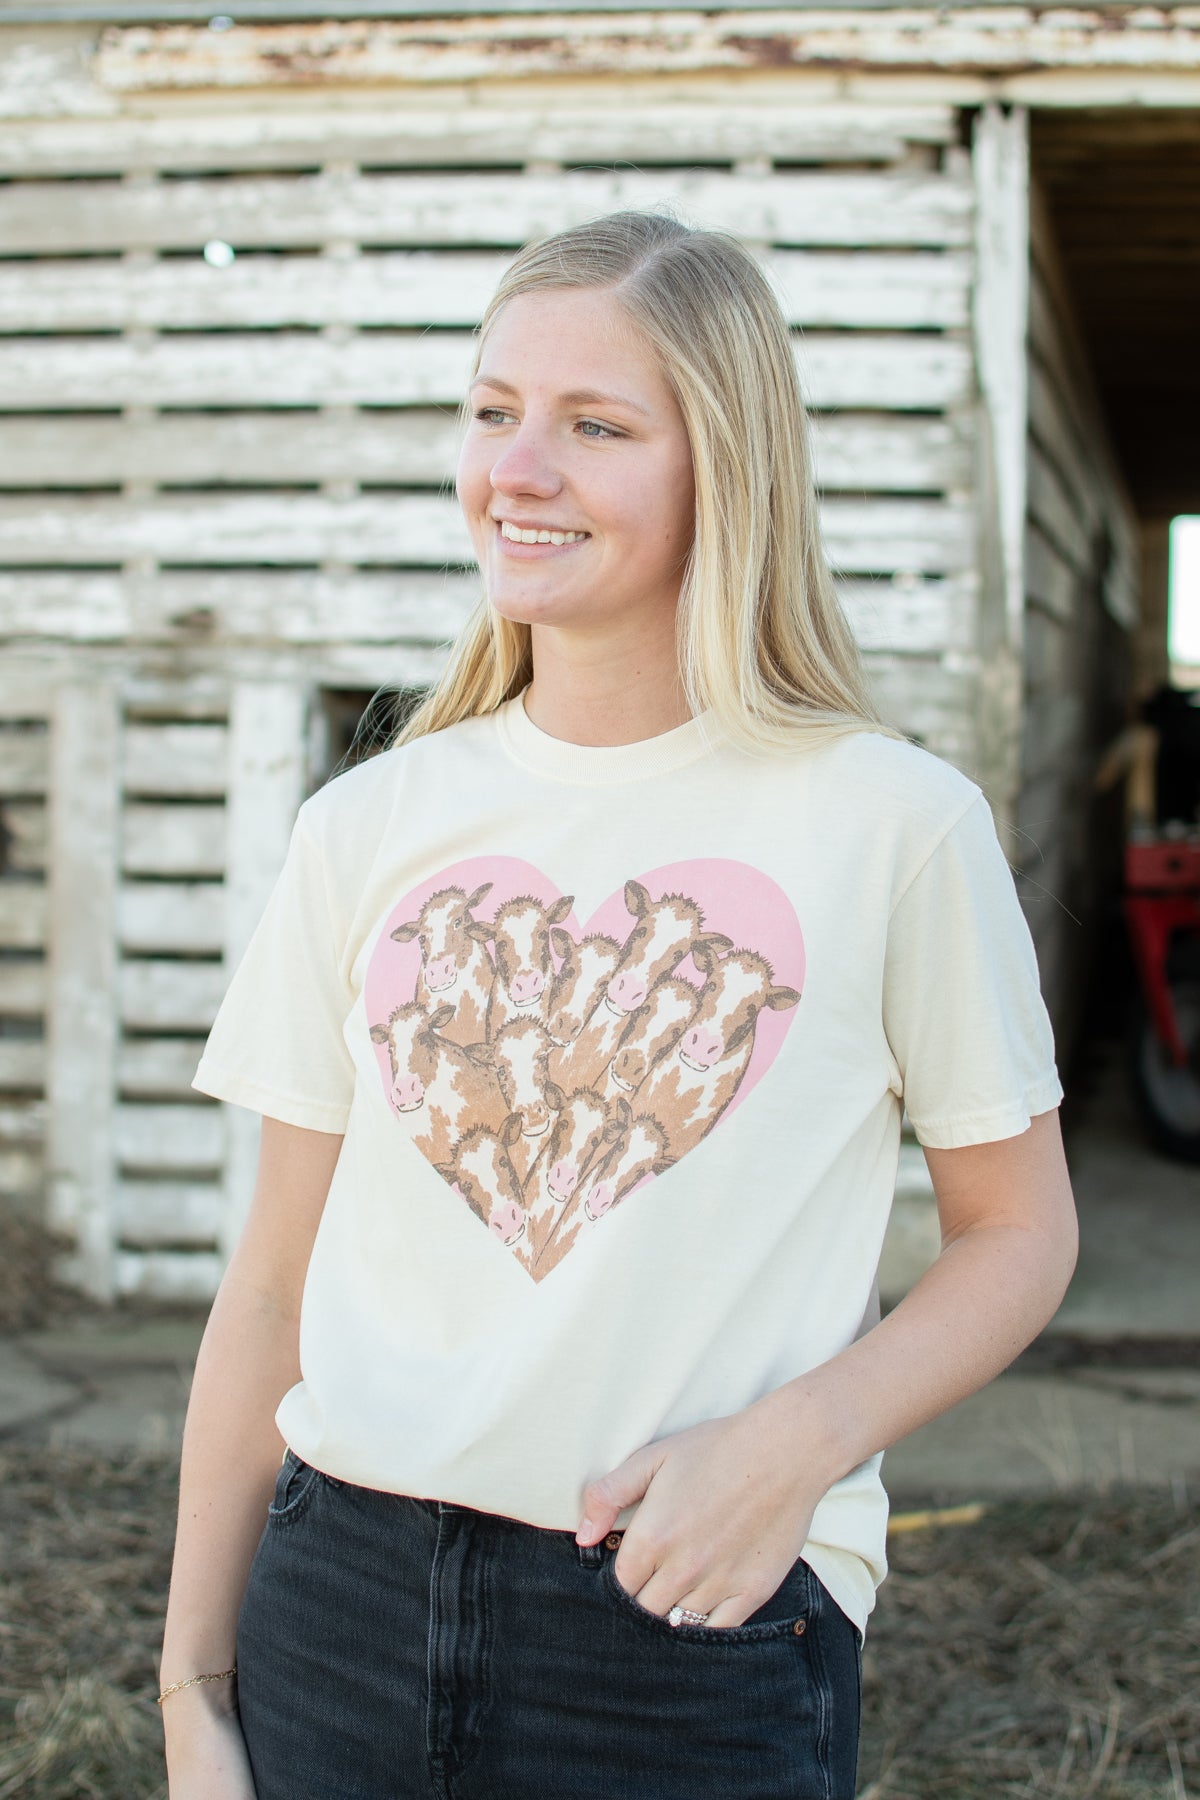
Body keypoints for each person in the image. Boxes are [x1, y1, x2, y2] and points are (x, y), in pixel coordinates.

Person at [158, 210, 1077, 1800]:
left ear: (726, 466)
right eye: (493, 411)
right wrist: (192, 1677)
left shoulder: (893, 825)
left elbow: (1020, 1232)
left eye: (596, 425)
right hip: (338, 1601)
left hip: (686, 1611)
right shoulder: (367, 826)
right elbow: (270, 1291)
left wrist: (793, 1447)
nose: (518, 469)